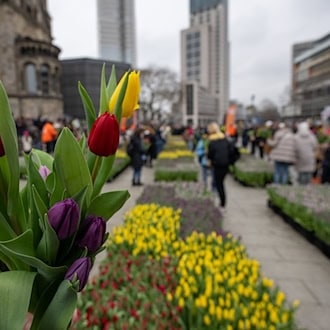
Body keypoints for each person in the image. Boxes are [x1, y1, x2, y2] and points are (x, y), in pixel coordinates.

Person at [207, 122, 232, 211]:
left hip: (217, 164)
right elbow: (232, 151)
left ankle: (222, 204)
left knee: (219, 184)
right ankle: (222, 203)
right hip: (225, 165)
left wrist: (210, 160)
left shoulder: (212, 141)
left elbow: (210, 154)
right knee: (221, 183)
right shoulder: (225, 139)